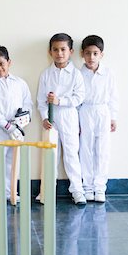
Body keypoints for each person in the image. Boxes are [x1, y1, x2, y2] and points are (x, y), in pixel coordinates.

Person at [0, 45, 33, 212]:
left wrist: (22, 121)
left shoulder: (20, 83)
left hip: (18, 129)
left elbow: (27, 103)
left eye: (2, 64)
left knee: (12, 162)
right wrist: (8, 126)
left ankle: (9, 193)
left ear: (9, 62)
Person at [37, 33, 86, 205]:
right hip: (52, 119)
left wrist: (60, 101)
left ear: (71, 51)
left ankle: (78, 191)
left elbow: (79, 97)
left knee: (71, 154)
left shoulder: (76, 74)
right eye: (55, 50)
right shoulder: (46, 74)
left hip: (69, 117)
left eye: (63, 49)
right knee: (51, 155)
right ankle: (48, 191)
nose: (59, 53)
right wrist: (44, 118)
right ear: (50, 52)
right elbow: (41, 101)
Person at [79, 35, 118, 203]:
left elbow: (113, 96)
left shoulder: (107, 73)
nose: (91, 57)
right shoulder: (79, 73)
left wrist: (113, 116)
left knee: (102, 150)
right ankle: (87, 187)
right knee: (86, 149)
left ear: (101, 54)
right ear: (82, 54)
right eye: (88, 53)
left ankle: (100, 187)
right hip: (85, 111)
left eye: (95, 53)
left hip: (103, 111)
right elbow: (76, 97)